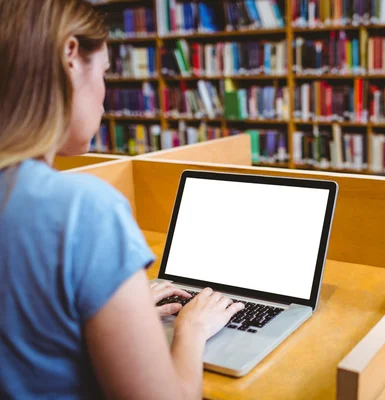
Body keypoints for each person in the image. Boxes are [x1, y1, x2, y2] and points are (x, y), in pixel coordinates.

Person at [0, 0, 244, 398]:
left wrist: (115, 309)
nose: (105, 94)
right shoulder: (83, 209)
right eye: (106, 72)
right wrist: (192, 330)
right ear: (71, 57)